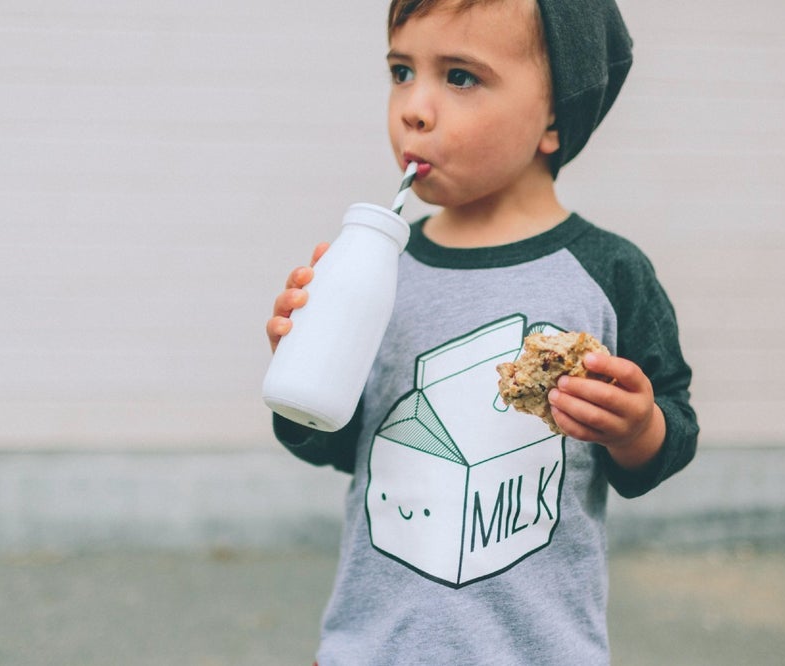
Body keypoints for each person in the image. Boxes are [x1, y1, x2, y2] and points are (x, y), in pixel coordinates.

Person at [265, 0, 698, 663]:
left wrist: (637, 428)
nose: (414, 107)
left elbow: (671, 434)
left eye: (459, 77)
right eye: (401, 71)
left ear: (553, 115)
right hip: (376, 646)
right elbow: (342, 447)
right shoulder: (382, 266)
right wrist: (304, 369)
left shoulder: (607, 273)